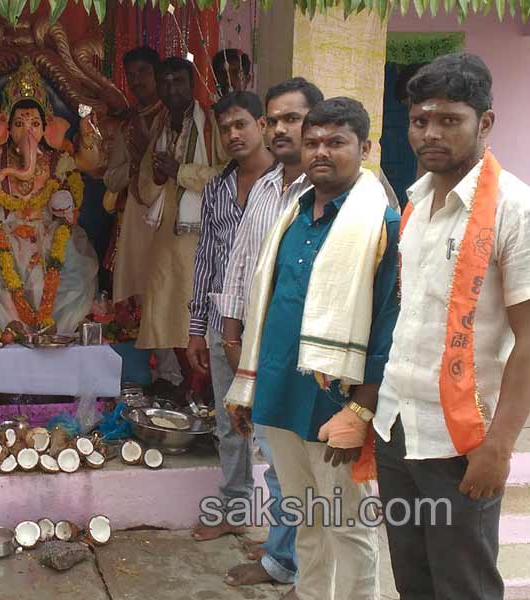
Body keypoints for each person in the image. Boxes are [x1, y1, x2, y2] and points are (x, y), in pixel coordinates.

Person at [225, 97, 400, 600]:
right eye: (314, 142)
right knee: (304, 520)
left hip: (333, 402)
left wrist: (361, 408)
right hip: (278, 392)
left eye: (337, 142)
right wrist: (249, 387)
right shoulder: (292, 217)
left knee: (347, 527)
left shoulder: (380, 225)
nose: (321, 152)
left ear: (365, 148)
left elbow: (387, 327)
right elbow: (268, 307)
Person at [376, 52, 530, 600]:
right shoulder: (416, 203)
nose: (431, 133)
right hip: (398, 430)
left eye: (449, 120)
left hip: (462, 442)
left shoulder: (514, 209)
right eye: (420, 120)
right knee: (413, 583)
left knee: (463, 586)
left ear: (484, 122)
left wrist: (500, 447)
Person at [214, 78, 324, 590]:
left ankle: (286, 561)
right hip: (260, 348)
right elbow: (240, 265)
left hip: (306, 350)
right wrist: (232, 337)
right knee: (274, 454)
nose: (281, 128)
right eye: (274, 119)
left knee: (293, 463)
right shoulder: (265, 185)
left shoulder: (330, 189)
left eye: (293, 119)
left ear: (316, 123)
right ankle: (285, 551)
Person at [185, 90, 275, 543]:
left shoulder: (286, 185)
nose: (233, 134)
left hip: (272, 326)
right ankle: (235, 508)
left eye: (241, 124)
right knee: (229, 421)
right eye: (224, 128)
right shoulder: (218, 188)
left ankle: (286, 533)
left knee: (275, 426)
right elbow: (205, 258)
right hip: (224, 324)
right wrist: (197, 329)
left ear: (262, 124)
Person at [0, 58, 102, 336]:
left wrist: (86, 132)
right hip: (3, 231)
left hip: (47, 234)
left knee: (76, 263)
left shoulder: (57, 161)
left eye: (35, 124)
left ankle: (58, 324)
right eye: (20, 124)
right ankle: (2, 325)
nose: (28, 131)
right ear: (6, 128)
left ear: (47, 128)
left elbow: (92, 163)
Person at [135, 57, 224, 396]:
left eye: (179, 82)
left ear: (192, 86)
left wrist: (180, 171)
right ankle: (175, 385)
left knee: (192, 314)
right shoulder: (160, 124)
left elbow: (227, 174)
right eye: (166, 82)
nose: (172, 89)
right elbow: (145, 184)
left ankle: (200, 391)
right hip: (164, 237)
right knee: (163, 312)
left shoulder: (210, 124)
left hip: (200, 236)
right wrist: (158, 178)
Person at [102, 46, 165, 305]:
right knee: (138, 288)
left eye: (143, 72)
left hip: (171, 213)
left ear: (158, 74)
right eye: (131, 75)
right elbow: (110, 179)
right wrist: (136, 165)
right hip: (137, 216)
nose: (137, 80)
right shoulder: (127, 126)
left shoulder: (176, 117)